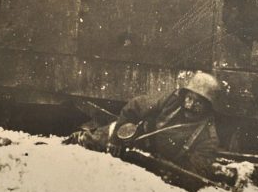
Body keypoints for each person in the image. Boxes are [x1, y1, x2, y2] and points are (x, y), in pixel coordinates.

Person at [64, 71, 222, 179]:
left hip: (161, 167)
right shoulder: (171, 101)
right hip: (140, 140)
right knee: (90, 142)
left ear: (208, 106)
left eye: (197, 103)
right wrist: (116, 139)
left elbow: (190, 176)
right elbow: (135, 106)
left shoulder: (208, 139)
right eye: (189, 98)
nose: (189, 105)